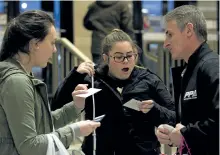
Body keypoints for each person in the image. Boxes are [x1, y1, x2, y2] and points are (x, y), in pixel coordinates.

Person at [51, 29, 176, 155]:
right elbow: (56, 107)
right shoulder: (93, 80)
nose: (126, 61)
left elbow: (174, 117)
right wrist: (74, 77)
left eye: (130, 55)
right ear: (106, 58)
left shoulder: (149, 80)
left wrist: (155, 109)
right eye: (118, 57)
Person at [0, 10, 100, 155]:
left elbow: (42, 123)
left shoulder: (22, 77)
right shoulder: (17, 81)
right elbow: (30, 146)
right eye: (52, 42)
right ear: (35, 44)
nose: (54, 50)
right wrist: (74, 130)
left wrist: (76, 106)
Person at [156, 5, 219, 155]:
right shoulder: (189, 70)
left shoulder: (212, 67)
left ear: (189, 30)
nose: (165, 43)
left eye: (170, 34)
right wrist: (175, 136)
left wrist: (185, 134)